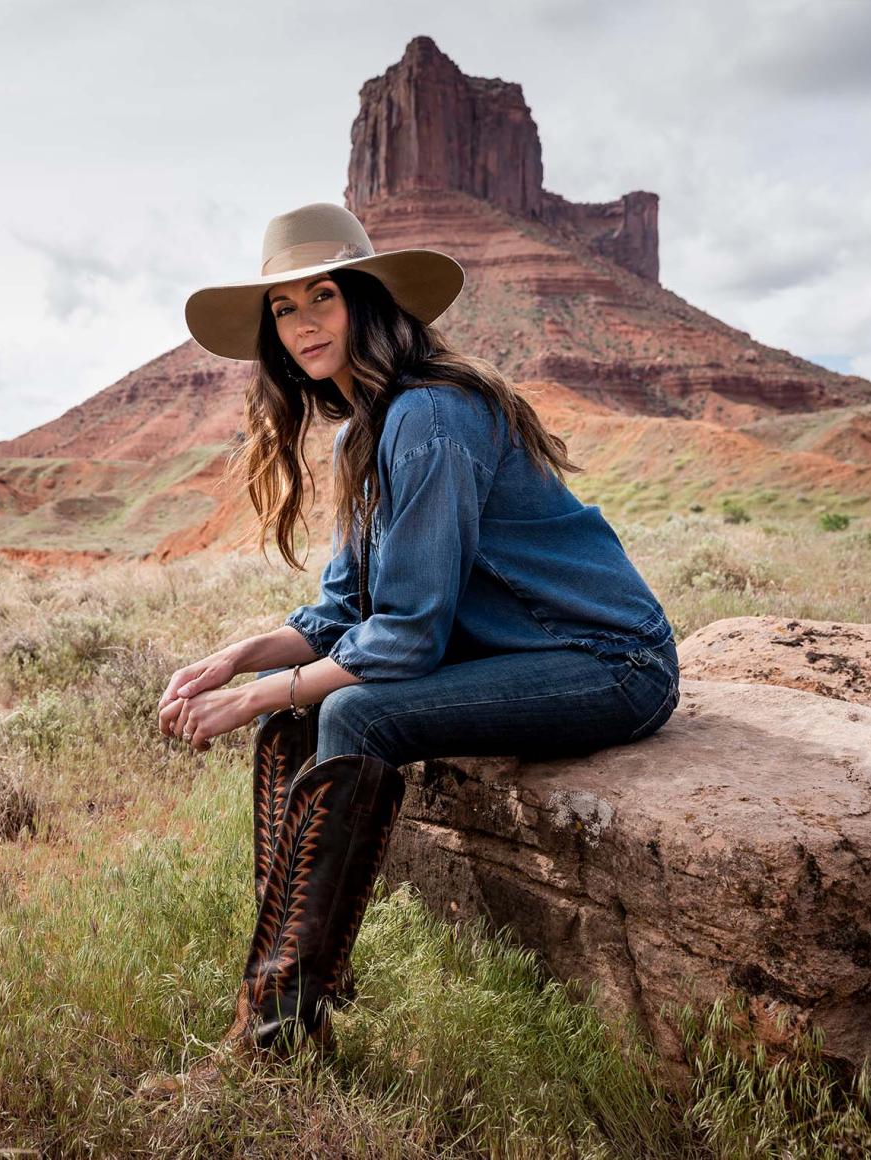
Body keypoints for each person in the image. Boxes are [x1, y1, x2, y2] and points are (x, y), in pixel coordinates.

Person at [153, 201, 679, 1078]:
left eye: (321, 296)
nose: (301, 323)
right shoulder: (370, 427)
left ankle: (282, 1025)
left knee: (352, 713)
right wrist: (237, 660)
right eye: (283, 310)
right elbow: (338, 613)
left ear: (366, 300)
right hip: (529, 657)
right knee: (298, 716)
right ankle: (288, 980)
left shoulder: (429, 417)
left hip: (611, 662)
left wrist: (250, 698)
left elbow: (401, 639)